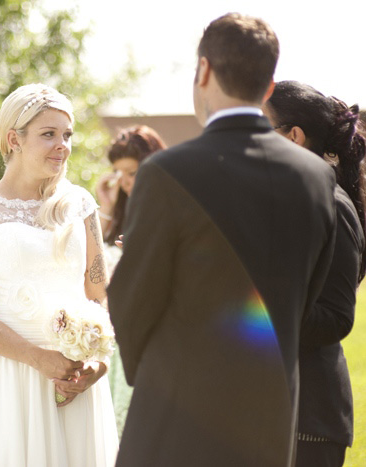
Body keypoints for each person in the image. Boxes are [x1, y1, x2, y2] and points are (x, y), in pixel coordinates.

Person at [107, 13, 337, 467]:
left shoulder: (167, 172)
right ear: (270, 86)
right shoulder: (315, 177)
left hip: (174, 423)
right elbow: (307, 295)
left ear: (204, 72)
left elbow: (131, 300)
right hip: (270, 425)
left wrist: (150, 376)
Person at [0, 83, 118, 466]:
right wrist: (37, 358)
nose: (62, 145)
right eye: (48, 134)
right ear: (13, 139)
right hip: (7, 376)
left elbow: (98, 295)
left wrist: (96, 366)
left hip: (73, 379)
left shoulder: (81, 205)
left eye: (66, 135)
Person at [263, 81, 366, 467]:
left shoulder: (333, 206)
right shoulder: (284, 202)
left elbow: (337, 318)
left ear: (294, 136)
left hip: (308, 420)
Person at [95, 126, 167, 436]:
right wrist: (106, 207)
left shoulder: (168, 212)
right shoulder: (119, 215)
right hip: (111, 340)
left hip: (149, 340)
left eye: (132, 172)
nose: (124, 181)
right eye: (118, 172)